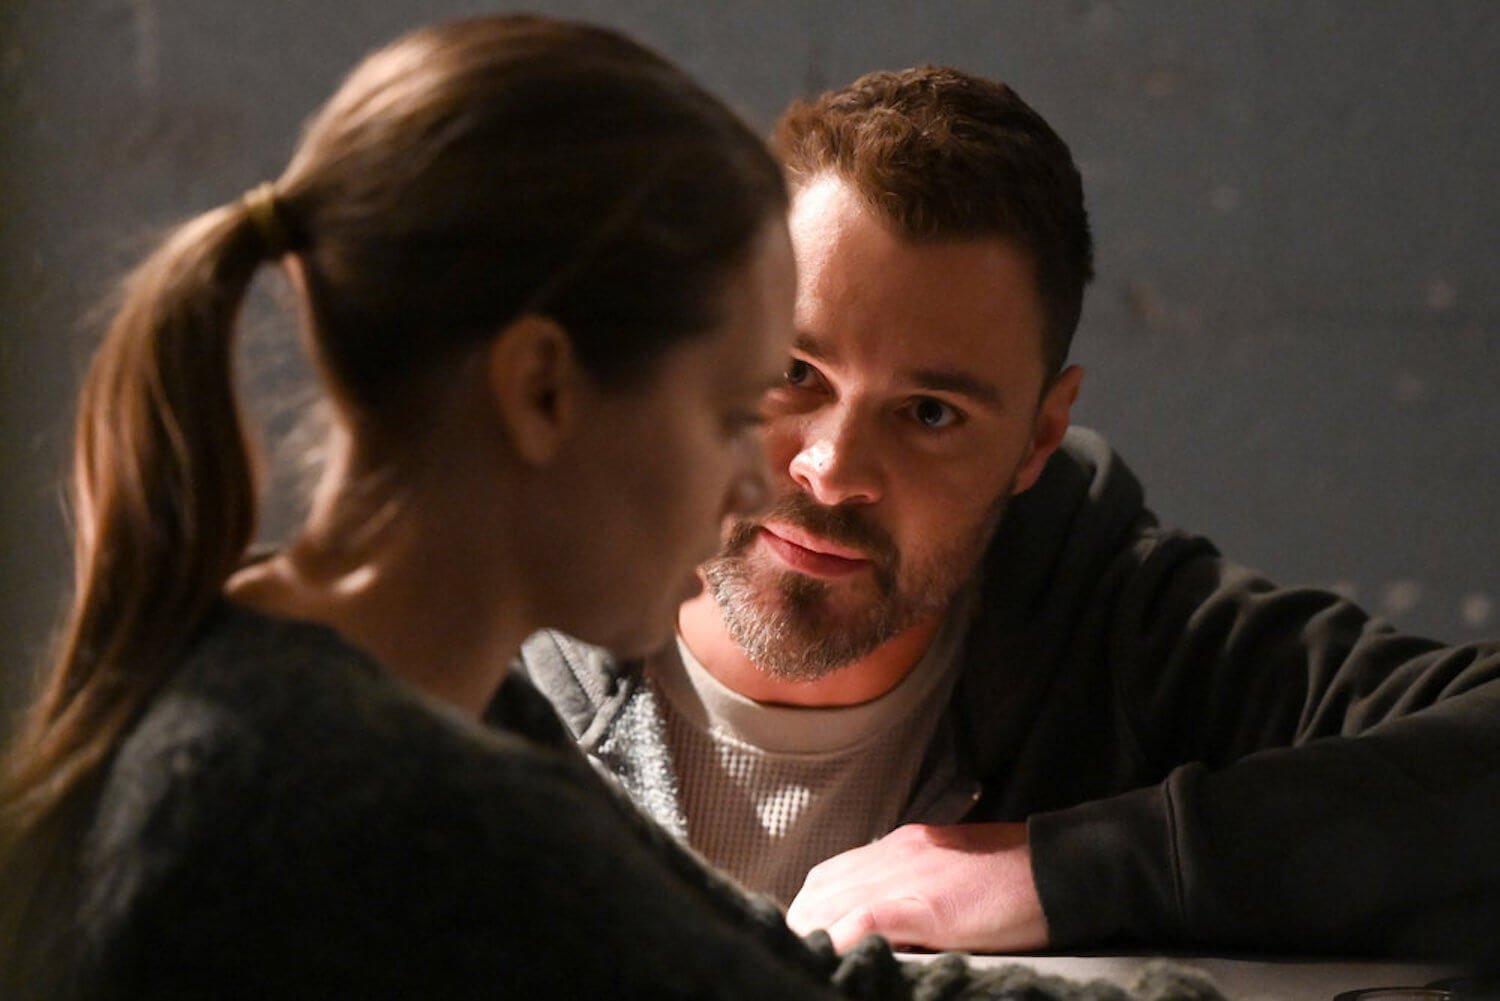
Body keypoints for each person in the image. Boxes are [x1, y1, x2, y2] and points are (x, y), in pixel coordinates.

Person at [0, 20, 1182, 1001]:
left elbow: (782, 975)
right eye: (735, 407)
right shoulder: (382, 800)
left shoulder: (342, 682)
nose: (767, 481)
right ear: (543, 390)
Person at [514, 65, 1500, 963]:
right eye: (793, 371)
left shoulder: (1120, 634)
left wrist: (1061, 870)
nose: (832, 469)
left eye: (929, 413)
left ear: (1039, 435)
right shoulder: (495, 609)